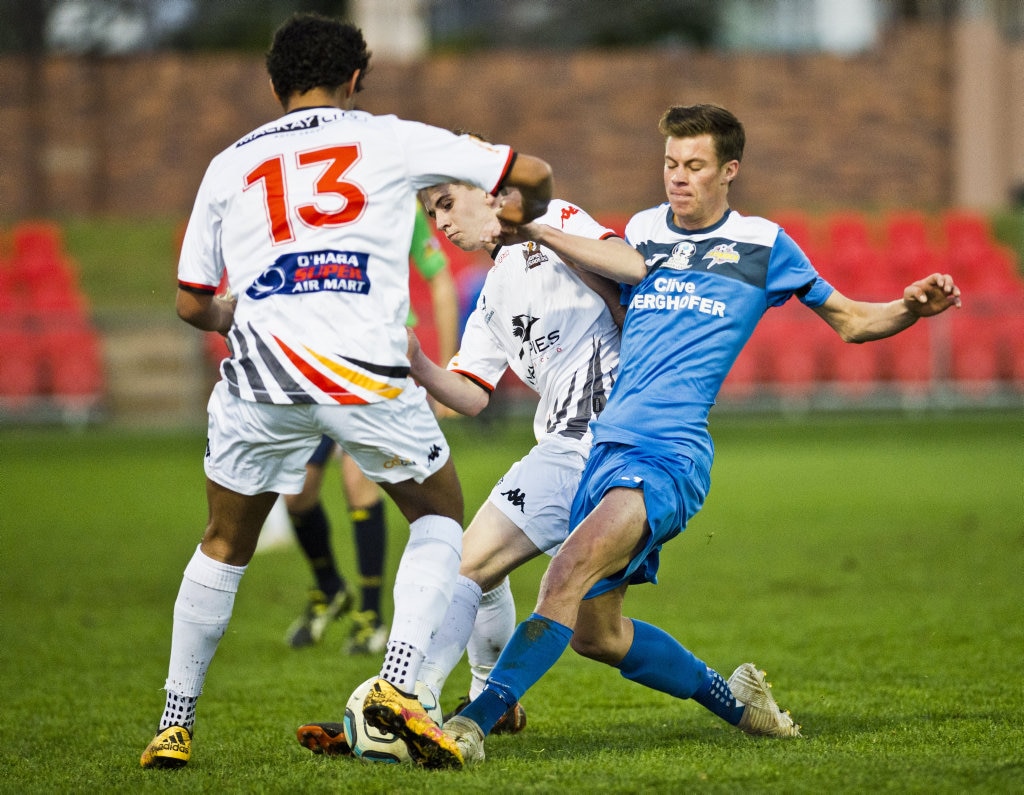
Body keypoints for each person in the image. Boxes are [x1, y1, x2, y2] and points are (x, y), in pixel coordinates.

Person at [433, 103, 962, 766]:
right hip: (605, 448)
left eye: (694, 165)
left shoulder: (763, 245)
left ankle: (470, 725)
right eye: (670, 164)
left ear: (729, 171)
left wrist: (910, 308)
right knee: (597, 634)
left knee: (561, 575)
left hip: (668, 452)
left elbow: (853, 321)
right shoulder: (643, 232)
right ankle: (740, 702)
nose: (677, 177)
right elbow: (599, 288)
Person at [139, 12, 552, 771]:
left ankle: (174, 721)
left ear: (274, 86)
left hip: (260, 375)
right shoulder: (387, 135)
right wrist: (528, 214)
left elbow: (192, 302)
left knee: (223, 543)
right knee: (438, 512)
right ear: (356, 80)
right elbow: (527, 173)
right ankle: (396, 686)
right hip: (362, 368)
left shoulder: (228, 162)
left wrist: (237, 311)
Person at [294, 175, 628, 757]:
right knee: (589, 626)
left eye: (447, 204)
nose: (441, 223)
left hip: (593, 443)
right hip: (562, 444)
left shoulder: (558, 224)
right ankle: (484, 703)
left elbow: (631, 266)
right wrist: (415, 362)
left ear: (489, 194)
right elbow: (470, 395)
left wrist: (543, 231)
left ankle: (411, 702)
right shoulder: (494, 291)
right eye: (431, 212)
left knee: (463, 563)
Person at [284, 204, 459, 654]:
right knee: (297, 491)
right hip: (319, 362)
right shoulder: (313, 204)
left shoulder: (397, 205)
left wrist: (446, 369)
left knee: (356, 478)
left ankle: (372, 616)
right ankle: (329, 586)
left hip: (378, 365)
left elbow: (438, 276)